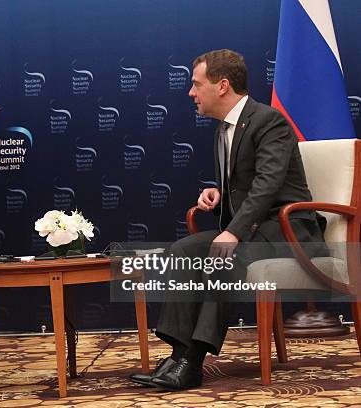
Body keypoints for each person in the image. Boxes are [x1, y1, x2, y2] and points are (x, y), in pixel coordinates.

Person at [129, 49, 325, 390]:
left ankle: (193, 361)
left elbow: (268, 184)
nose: (190, 92)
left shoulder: (269, 121)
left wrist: (232, 231)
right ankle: (178, 353)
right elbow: (245, 184)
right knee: (182, 250)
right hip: (253, 229)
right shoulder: (224, 129)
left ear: (222, 86)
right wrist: (218, 193)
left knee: (222, 257)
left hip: (286, 231)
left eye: (196, 84)